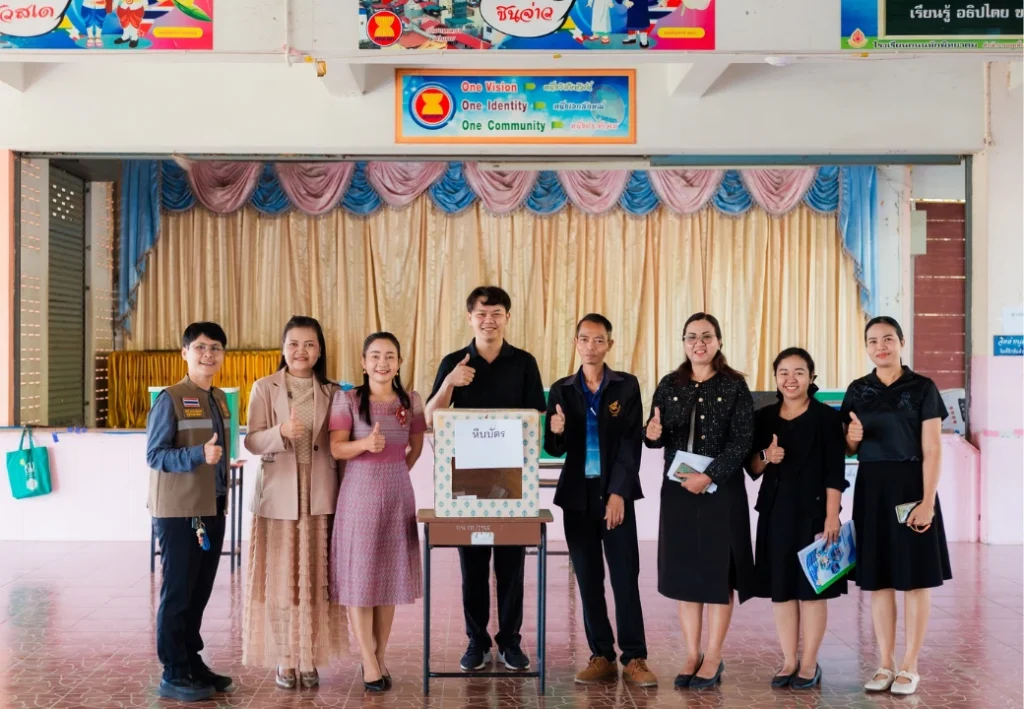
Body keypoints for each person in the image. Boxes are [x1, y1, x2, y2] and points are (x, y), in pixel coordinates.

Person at [425, 286, 546, 673]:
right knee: (473, 564)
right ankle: (476, 641)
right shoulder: (454, 362)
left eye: (496, 314)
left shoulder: (524, 362)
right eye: (481, 314)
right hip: (466, 481)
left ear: (507, 318)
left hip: (512, 480)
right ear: (470, 318)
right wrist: (450, 382)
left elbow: (536, 419)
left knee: (511, 565)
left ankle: (510, 641)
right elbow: (430, 417)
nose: (488, 320)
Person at [643, 312, 755, 690]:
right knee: (685, 572)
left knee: (718, 573)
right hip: (678, 491)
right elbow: (656, 435)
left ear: (719, 341)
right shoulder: (669, 384)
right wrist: (651, 433)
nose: (699, 343)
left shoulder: (735, 385)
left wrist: (710, 476)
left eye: (707, 336)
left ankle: (714, 655)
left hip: (721, 491)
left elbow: (742, 441)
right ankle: (692, 654)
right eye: (691, 337)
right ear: (684, 343)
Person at [841, 316, 951, 696]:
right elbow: (848, 446)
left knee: (915, 579)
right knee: (880, 580)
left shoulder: (923, 388)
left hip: (911, 486)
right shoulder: (857, 390)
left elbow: (932, 448)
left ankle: (910, 665)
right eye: (873, 341)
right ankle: (885, 664)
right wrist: (852, 438)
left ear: (902, 342)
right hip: (871, 488)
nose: (880, 346)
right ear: (866, 347)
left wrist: (928, 501)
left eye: (888, 339)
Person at [544, 314, 656, 687]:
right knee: (589, 580)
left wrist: (619, 493)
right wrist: (556, 432)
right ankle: (602, 656)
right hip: (577, 498)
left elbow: (630, 444)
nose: (590, 346)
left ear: (609, 344)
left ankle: (635, 657)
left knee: (625, 577)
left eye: (598, 340)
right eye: (584, 339)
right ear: (575, 343)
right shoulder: (561, 389)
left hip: (615, 494)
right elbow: (553, 447)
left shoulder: (626, 386)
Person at [242, 316, 346, 689]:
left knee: (315, 583)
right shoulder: (263, 387)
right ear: (283, 348)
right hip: (279, 494)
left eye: (309, 344)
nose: (301, 351)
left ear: (320, 351)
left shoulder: (334, 391)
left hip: (319, 494)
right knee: (281, 582)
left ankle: (309, 657)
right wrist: (280, 432)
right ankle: (285, 659)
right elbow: (252, 440)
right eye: (294, 344)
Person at [329, 332, 427, 692]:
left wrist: (395, 470)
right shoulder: (348, 399)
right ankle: (368, 660)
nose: (382, 363)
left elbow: (416, 447)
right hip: (359, 494)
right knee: (360, 578)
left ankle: (380, 655)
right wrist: (365, 445)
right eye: (375, 356)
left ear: (399, 363)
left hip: (398, 494)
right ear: (363, 362)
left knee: (389, 578)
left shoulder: (411, 400)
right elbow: (337, 449)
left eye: (389, 356)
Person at [748, 347, 848, 690]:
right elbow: (752, 466)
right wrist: (767, 455)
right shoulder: (765, 417)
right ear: (775, 378)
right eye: (784, 373)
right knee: (782, 590)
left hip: (815, 515)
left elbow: (835, 471)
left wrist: (832, 516)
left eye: (799, 372)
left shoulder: (827, 418)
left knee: (812, 591)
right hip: (775, 512)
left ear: (811, 377)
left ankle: (808, 663)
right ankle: (789, 659)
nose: (791, 379)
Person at [146, 322, 234, 703]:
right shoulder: (171, 398)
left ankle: (191, 661)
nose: (208, 354)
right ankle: (173, 671)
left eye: (215, 348)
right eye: (200, 347)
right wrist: (199, 455)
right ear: (184, 353)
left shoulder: (219, 399)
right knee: (178, 592)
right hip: (180, 512)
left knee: (199, 592)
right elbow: (155, 455)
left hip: (212, 505)